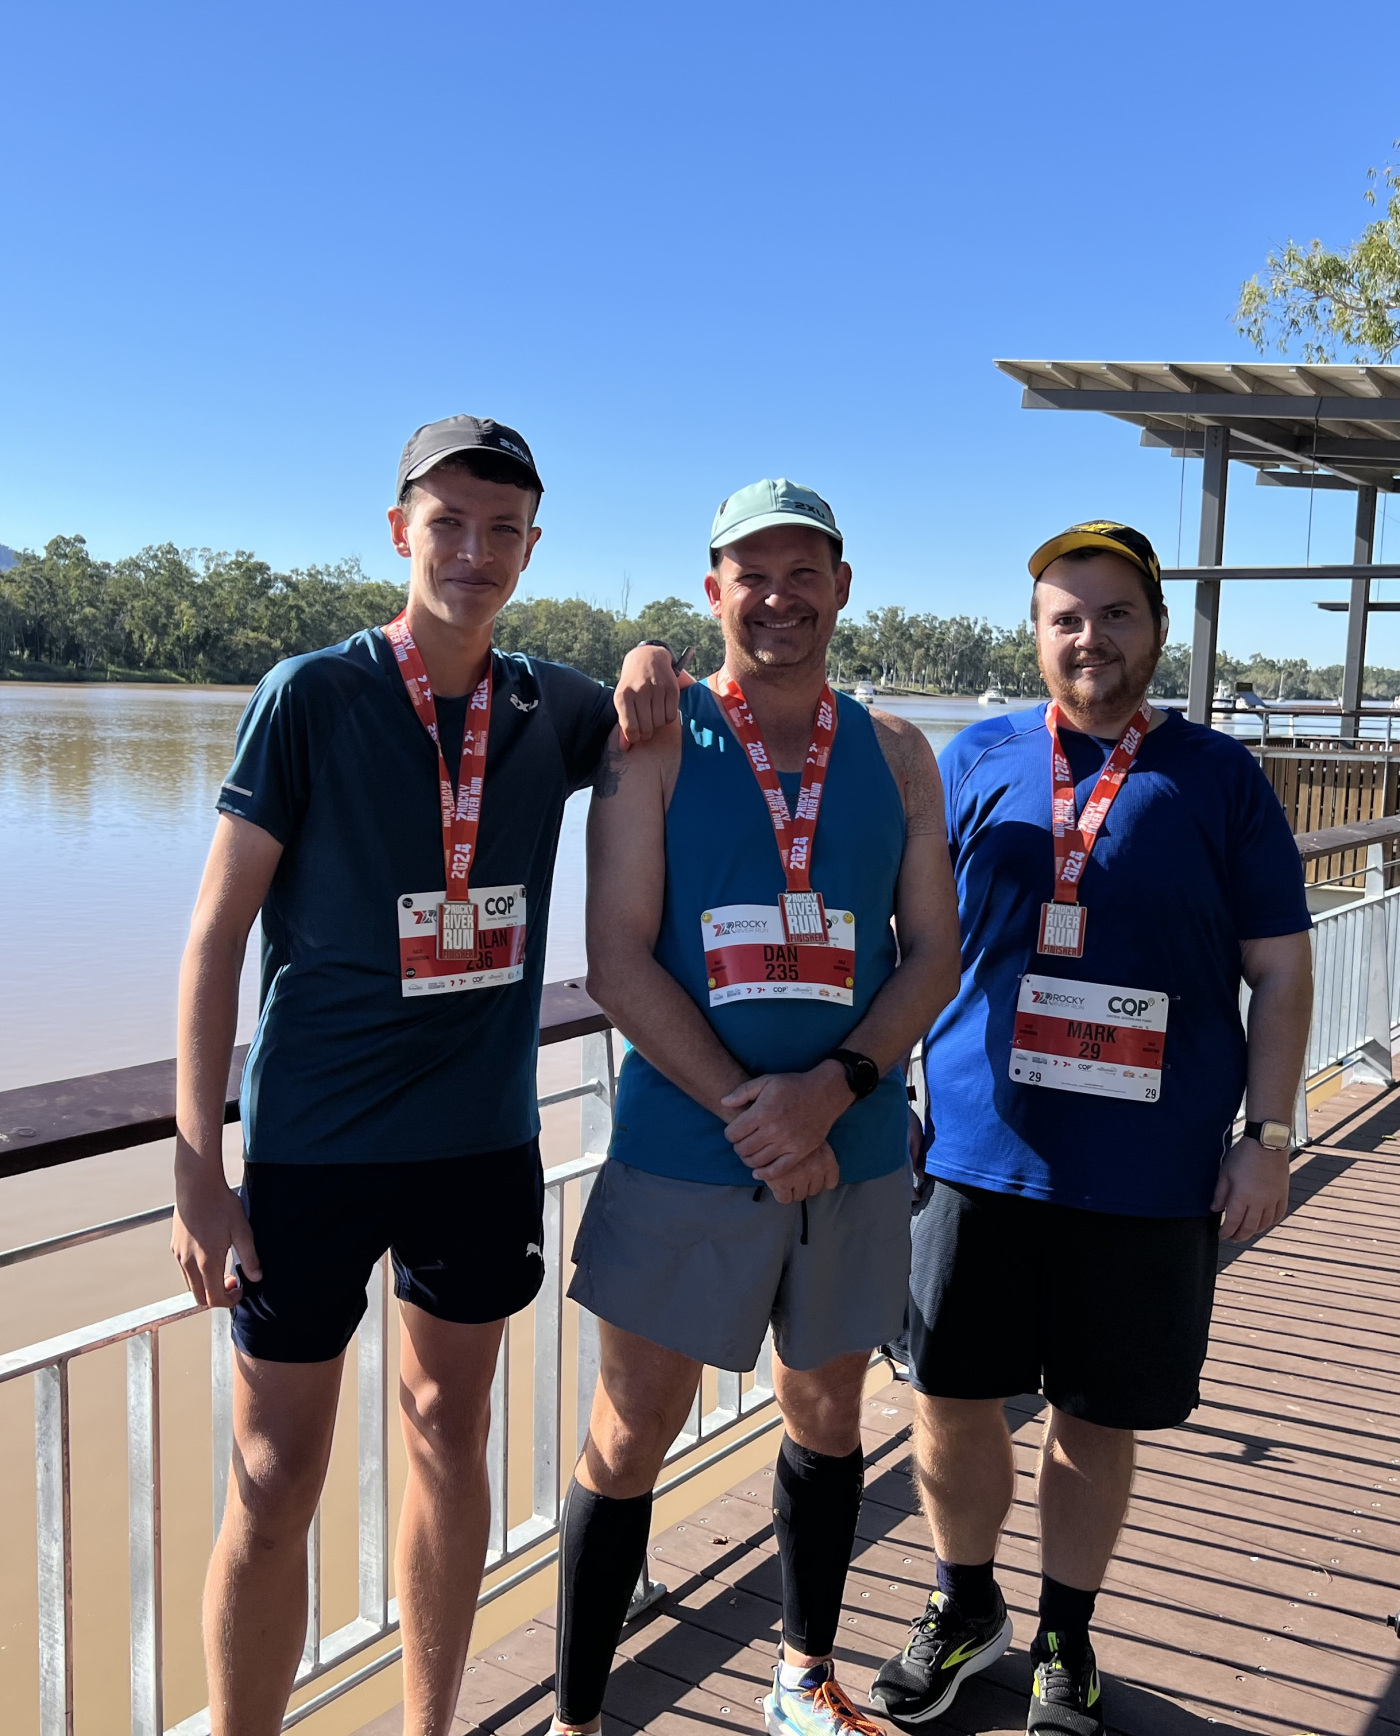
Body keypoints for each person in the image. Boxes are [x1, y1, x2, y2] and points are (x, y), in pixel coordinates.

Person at [170, 415, 681, 1736]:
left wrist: (649, 661)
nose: (473, 551)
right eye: (447, 523)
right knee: (273, 1475)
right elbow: (215, 937)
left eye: (502, 530)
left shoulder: (553, 708)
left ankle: (429, 1727)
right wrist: (197, 1172)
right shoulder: (312, 696)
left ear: (532, 547)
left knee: (451, 1437)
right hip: (310, 1151)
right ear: (400, 529)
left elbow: (666, 737)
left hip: (474, 1146)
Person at [869, 522, 1313, 1736]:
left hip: (1148, 1168)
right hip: (971, 1152)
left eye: (1115, 613)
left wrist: (1268, 1133)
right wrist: (882, 1090)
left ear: (1155, 629)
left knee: (1095, 1412)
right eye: (1065, 616)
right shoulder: (976, 756)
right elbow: (907, 942)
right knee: (947, 1392)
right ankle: (965, 1601)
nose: (1089, 637)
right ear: (1034, 634)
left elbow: (1279, 967)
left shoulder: (1219, 777)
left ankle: (1064, 1632)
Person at [556, 479, 963, 1736]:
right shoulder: (655, 732)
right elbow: (615, 960)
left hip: (849, 1149)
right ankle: (575, 1717)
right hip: (684, 1150)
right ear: (711, 589)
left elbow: (932, 954)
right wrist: (758, 1114)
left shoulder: (898, 753)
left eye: (802, 573)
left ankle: (800, 1676)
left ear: (840, 587)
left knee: (827, 1412)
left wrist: (827, 1094)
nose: (777, 598)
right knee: (629, 1431)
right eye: (751, 574)